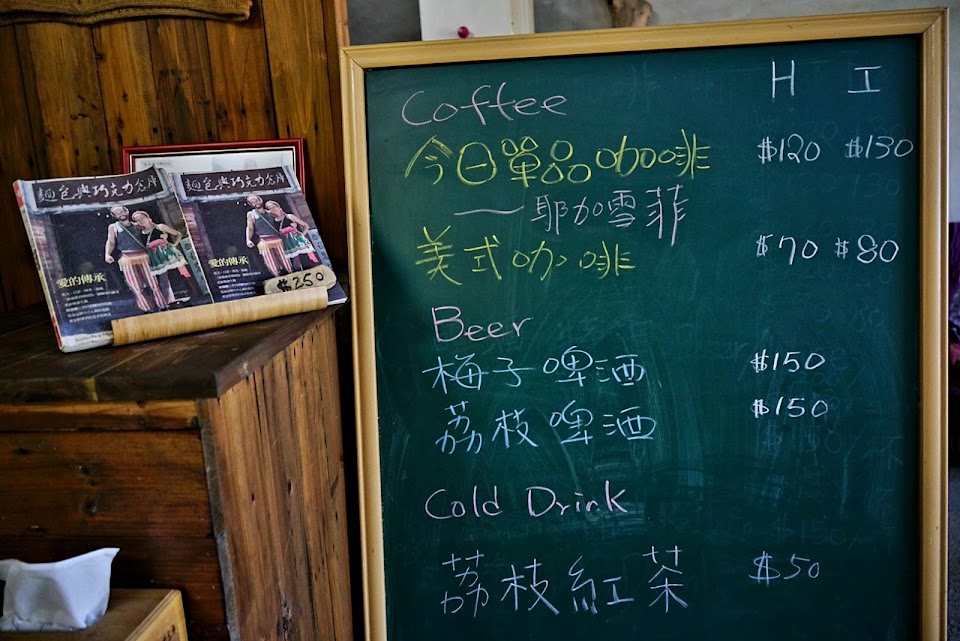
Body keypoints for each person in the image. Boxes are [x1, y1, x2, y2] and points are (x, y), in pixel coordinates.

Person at [104, 205, 167, 313]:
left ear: (126, 211)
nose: (120, 214)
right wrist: (107, 254)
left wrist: (163, 238)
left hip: (143, 256)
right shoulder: (113, 227)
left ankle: (162, 305)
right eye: (117, 213)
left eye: (121, 211)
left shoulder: (137, 225)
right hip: (127, 258)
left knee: (153, 283)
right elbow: (111, 241)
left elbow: (152, 230)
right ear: (114, 216)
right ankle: (147, 309)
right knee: (135, 286)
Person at [130, 210, 197, 306]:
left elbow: (178, 234)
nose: (141, 220)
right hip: (155, 258)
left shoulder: (160, 227)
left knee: (175, 274)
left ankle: (184, 297)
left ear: (148, 217)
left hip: (167, 254)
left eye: (142, 218)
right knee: (162, 278)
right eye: (138, 220)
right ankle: (170, 300)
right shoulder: (140, 234)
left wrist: (174, 244)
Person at [264, 200, 319, 272]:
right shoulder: (273, 221)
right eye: (270, 208)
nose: (273, 209)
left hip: (298, 241)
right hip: (288, 244)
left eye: (274, 207)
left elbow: (306, 225)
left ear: (279, 207)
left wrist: (302, 235)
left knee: (305, 259)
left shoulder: (289, 216)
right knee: (295, 263)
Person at [245, 194, 292, 277]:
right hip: (264, 240)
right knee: (270, 261)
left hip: (277, 238)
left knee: (285, 259)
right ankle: (276, 276)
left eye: (256, 200)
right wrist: (248, 239)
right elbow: (250, 227)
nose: (256, 203)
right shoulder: (251, 214)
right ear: (250, 204)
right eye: (253, 202)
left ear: (260, 200)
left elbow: (283, 218)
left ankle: (291, 273)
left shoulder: (271, 212)